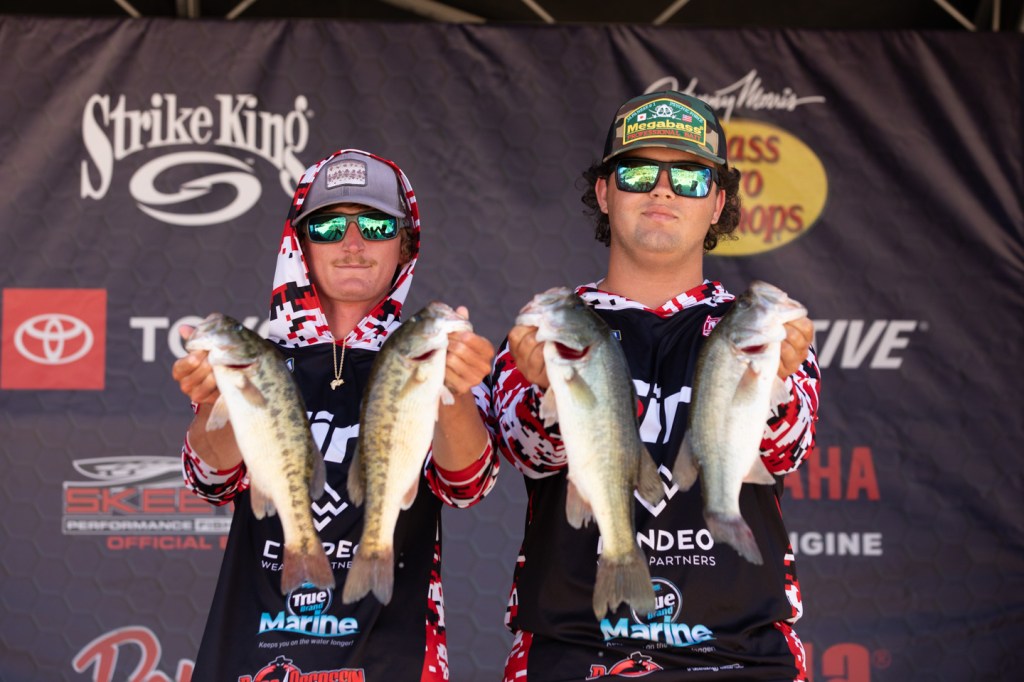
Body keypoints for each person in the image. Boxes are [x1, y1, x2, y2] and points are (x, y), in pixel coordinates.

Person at [491, 91, 820, 680]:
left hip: (742, 655)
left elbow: (785, 452)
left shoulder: (762, 327)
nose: (663, 191)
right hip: (573, 653)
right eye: (639, 173)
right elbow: (527, 453)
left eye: (689, 177)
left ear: (718, 203)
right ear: (604, 192)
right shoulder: (546, 326)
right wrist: (545, 393)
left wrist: (775, 381)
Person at [171, 149, 498, 681]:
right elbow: (209, 480)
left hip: (393, 657)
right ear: (300, 243)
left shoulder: (432, 351)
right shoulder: (256, 358)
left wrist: (454, 391)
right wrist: (215, 401)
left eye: (375, 225)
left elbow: (469, 486)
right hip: (256, 656)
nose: (352, 243)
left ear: (404, 244)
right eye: (328, 226)